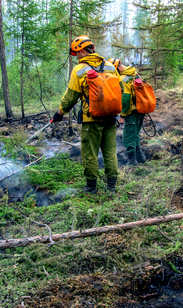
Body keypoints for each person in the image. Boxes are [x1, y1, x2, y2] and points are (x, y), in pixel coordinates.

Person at [52, 36, 121, 194]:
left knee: (90, 154)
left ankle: (91, 189)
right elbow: (120, 91)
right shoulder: (110, 66)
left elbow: (70, 97)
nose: (76, 57)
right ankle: (111, 188)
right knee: (110, 152)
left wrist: (60, 113)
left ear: (82, 50)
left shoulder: (79, 70)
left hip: (92, 119)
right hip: (111, 117)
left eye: (76, 53)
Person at [108, 58, 146, 165]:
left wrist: (122, 116)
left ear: (116, 68)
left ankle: (133, 162)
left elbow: (125, 98)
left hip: (131, 112)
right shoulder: (134, 73)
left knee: (128, 137)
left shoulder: (124, 78)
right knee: (135, 134)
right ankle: (141, 158)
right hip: (140, 110)